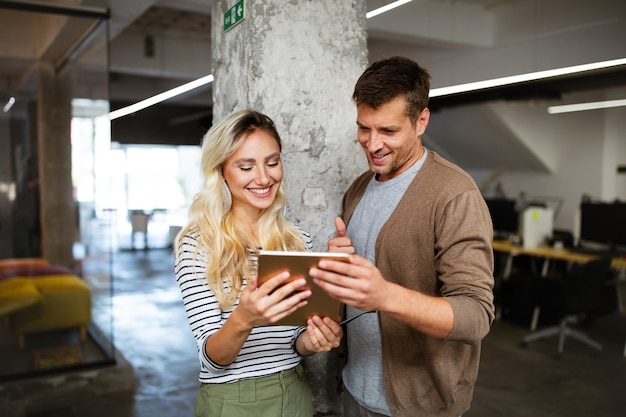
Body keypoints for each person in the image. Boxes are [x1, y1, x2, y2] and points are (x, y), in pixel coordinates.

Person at [309, 56, 495, 417]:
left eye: (388, 131)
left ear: (421, 120)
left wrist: (385, 295)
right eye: (365, 128)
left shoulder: (454, 194)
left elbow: (476, 316)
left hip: (418, 405)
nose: (373, 144)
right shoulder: (360, 188)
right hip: (352, 388)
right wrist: (339, 264)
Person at [174, 109, 343, 417]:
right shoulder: (198, 245)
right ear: (222, 170)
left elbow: (293, 343)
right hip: (233, 399)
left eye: (272, 162)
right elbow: (212, 359)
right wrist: (245, 317)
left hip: (294, 390)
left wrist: (314, 339)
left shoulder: (296, 240)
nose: (264, 178)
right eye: (246, 166)